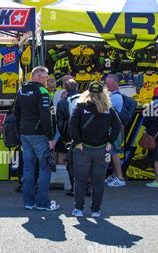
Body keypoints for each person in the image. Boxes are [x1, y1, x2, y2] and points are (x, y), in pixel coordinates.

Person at [69, 81, 121, 218]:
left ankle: (79, 210)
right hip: (102, 150)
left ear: (88, 92)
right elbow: (117, 126)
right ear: (103, 94)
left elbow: (72, 125)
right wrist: (110, 141)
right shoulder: (109, 108)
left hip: (82, 149)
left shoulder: (80, 106)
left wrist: (78, 141)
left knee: (80, 180)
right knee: (98, 182)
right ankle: (96, 211)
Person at [14, 66, 59, 211]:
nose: (47, 80)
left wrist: (20, 132)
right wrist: (51, 137)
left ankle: (28, 202)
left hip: (25, 134)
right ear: (39, 77)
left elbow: (16, 114)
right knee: (45, 169)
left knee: (28, 169)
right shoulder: (42, 91)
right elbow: (46, 117)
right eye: (46, 77)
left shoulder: (21, 89)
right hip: (39, 135)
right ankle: (42, 203)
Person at [56, 78, 80, 196]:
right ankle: (88, 188)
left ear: (65, 88)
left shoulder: (62, 103)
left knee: (70, 163)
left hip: (71, 136)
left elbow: (60, 124)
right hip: (87, 136)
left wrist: (64, 137)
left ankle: (75, 188)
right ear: (77, 87)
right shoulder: (86, 100)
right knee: (86, 162)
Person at [104, 74, 127, 187]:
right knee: (112, 152)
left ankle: (120, 177)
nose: (106, 85)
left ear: (115, 83)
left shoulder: (115, 97)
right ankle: (114, 175)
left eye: (108, 83)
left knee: (114, 153)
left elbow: (104, 109)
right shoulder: (113, 95)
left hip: (114, 129)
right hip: (114, 128)